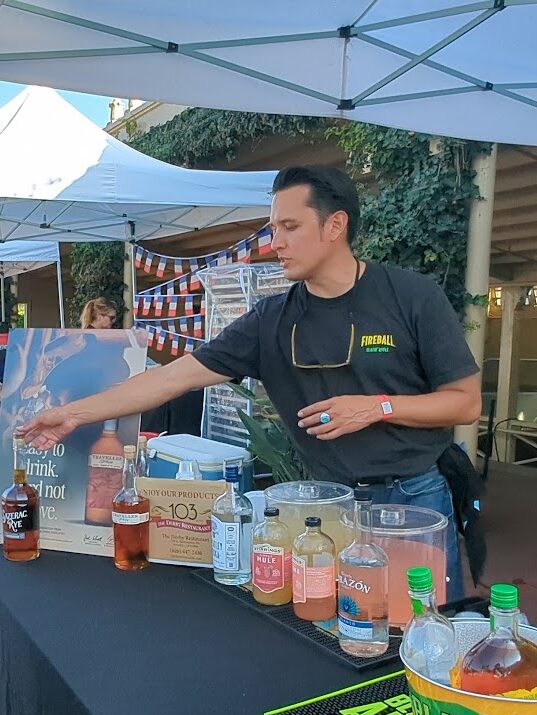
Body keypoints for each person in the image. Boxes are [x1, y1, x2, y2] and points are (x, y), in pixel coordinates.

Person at [19, 166, 481, 599]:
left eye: (290, 227)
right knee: (345, 626)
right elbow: (172, 378)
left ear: (335, 225)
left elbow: (464, 404)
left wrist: (377, 407)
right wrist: (70, 414)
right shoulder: (271, 321)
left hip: (412, 499)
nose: (275, 242)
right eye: (273, 228)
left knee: (422, 625)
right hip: (327, 503)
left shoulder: (411, 296)